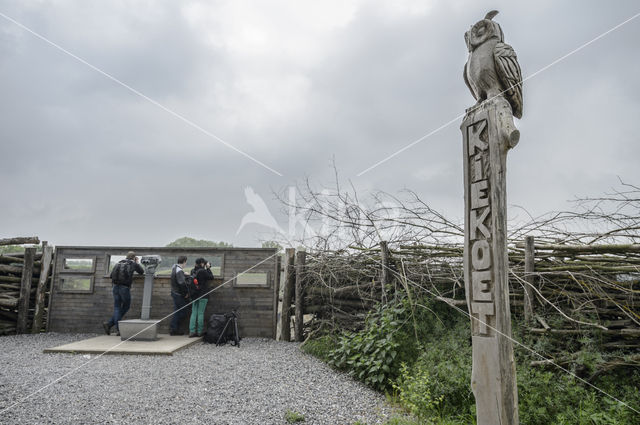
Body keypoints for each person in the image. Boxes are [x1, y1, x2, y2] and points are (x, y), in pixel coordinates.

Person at [103, 251, 144, 336]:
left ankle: (109, 324)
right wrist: (137, 262)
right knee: (126, 306)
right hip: (124, 288)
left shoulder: (119, 263)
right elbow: (141, 271)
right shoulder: (133, 263)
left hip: (115, 287)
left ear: (126, 256)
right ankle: (118, 329)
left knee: (117, 307)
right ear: (134, 257)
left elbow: (111, 275)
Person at [189, 258, 214, 337]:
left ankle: (192, 331)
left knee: (193, 313)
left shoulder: (193, 271)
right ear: (202, 264)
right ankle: (199, 332)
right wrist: (208, 268)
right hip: (203, 295)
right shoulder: (203, 271)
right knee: (200, 313)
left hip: (194, 295)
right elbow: (211, 277)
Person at [170, 255, 190, 335]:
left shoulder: (175, 268)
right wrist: (185, 293)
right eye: (186, 262)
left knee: (176, 311)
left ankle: (173, 328)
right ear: (184, 261)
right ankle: (174, 329)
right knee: (182, 311)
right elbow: (182, 283)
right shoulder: (179, 270)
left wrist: (183, 274)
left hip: (174, 292)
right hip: (178, 294)